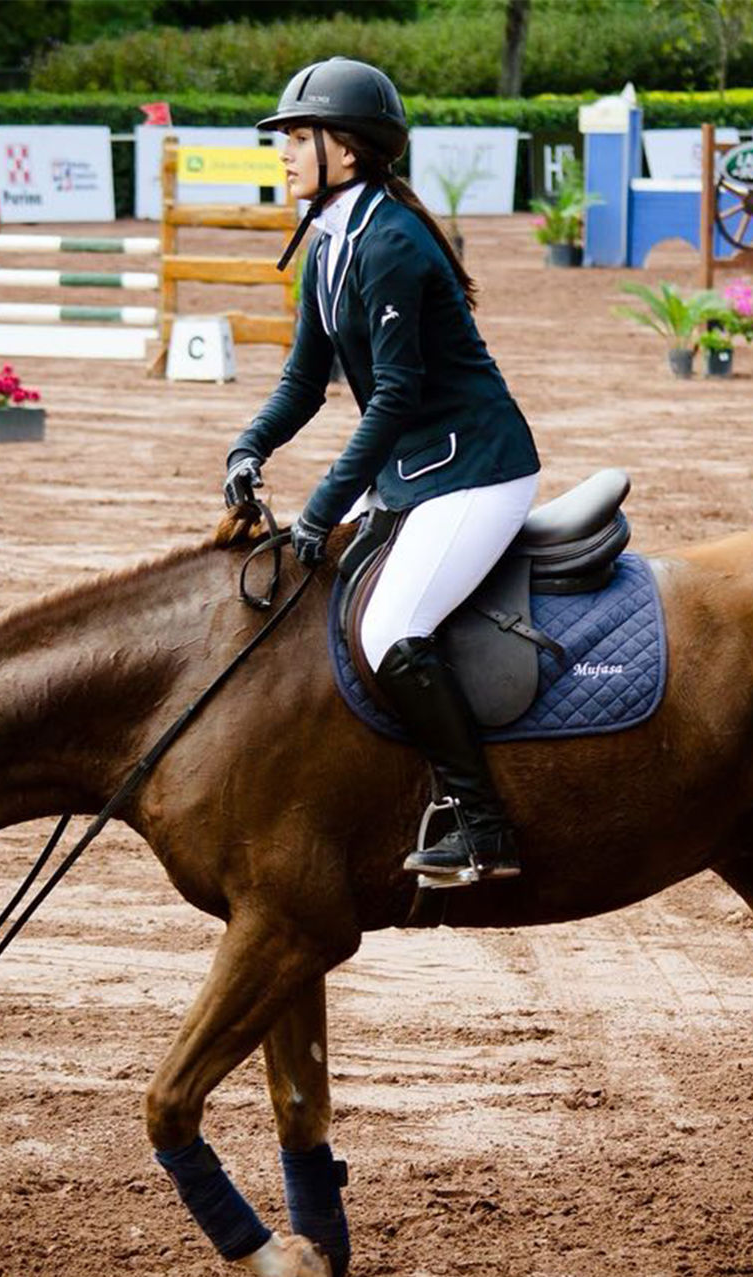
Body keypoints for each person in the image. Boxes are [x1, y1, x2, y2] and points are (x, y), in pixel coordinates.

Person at [220, 56, 542, 888]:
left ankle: (482, 825)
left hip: (475, 469)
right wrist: (248, 448)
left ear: (350, 151)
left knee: (391, 627)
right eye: (284, 140)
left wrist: (322, 505)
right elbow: (303, 380)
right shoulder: (330, 243)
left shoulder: (390, 244)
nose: (284, 153)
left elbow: (394, 394)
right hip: (412, 468)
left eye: (299, 138)